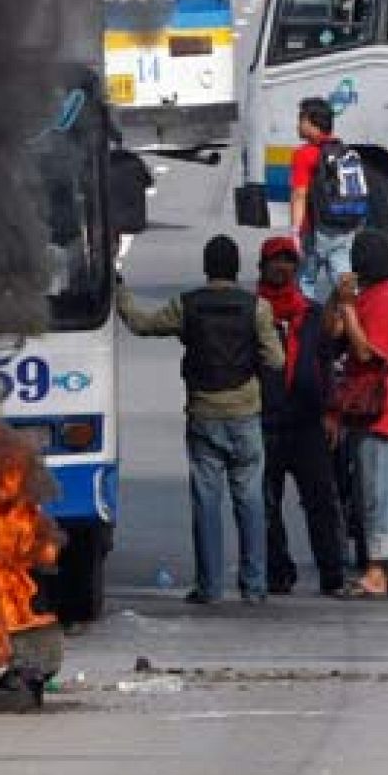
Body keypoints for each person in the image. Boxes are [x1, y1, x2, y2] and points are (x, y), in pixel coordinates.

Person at [117, 236, 285, 604]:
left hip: (204, 414)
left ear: (208, 267)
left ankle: (209, 588)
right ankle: (254, 586)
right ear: (236, 267)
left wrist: (120, 293)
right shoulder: (256, 307)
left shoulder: (187, 305)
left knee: (206, 503)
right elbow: (276, 360)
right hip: (244, 414)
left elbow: (141, 324)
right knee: (251, 502)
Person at [327, 230, 388, 598]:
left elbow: (366, 353)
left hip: (382, 413)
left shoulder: (386, 301)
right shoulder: (373, 297)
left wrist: (348, 307)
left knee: (375, 494)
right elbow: (333, 336)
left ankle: (376, 571)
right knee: (378, 491)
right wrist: (340, 301)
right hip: (373, 412)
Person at [255, 236, 346, 596]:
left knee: (322, 498)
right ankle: (278, 572)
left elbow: (327, 364)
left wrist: (332, 412)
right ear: (262, 268)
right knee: (265, 502)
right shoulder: (253, 311)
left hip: (309, 420)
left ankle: (332, 573)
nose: (283, 267)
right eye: (276, 261)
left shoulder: (311, 313)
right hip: (265, 419)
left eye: (289, 262)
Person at [290, 97, 366, 303]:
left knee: (305, 282)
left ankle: (307, 325)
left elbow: (299, 194)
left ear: (310, 122)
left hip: (317, 231)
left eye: (300, 119)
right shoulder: (344, 151)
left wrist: (295, 231)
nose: (297, 125)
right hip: (346, 225)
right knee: (343, 279)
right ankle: (352, 319)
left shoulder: (304, 154)